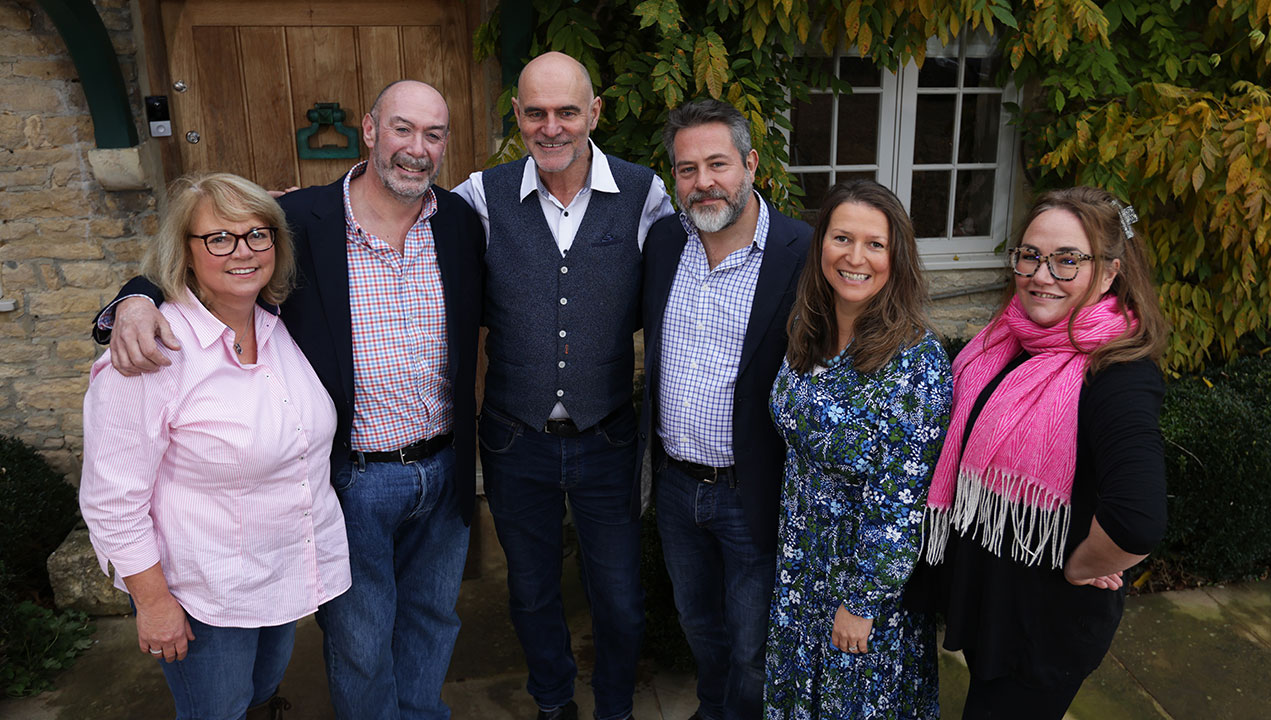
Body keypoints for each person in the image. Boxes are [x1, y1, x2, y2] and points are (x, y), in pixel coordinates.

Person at [91, 81, 485, 720]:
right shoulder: (301, 220)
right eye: (402, 128)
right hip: (353, 477)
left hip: (442, 467)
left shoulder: (462, 222)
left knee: (434, 619)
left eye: (433, 134)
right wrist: (134, 299)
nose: (417, 148)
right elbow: (208, 244)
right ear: (368, 129)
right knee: (360, 638)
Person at [80, 173, 351, 720]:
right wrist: (154, 603)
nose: (243, 251)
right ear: (184, 250)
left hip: (281, 572)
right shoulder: (151, 356)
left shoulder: (280, 329)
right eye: (219, 238)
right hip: (203, 593)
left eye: (257, 234)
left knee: (257, 696)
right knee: (217, 710)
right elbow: (113, 501)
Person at [452, 51, 671, 720]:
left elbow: (703, 272)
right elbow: (403, 243)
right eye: (536, 112)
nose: (552, 127)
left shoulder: (646, 194)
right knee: (531, 592)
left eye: (567, 111)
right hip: (516, 441)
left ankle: (613, 708)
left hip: (607, 436)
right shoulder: (478, 197)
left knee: (619, 595)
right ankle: (553, 704)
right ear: (517, 115)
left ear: (594, 114)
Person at [922, 187, 1168, 719]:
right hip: (997, 607)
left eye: (1066, 261)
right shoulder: (1004, 340)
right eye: (1030, 255)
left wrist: (1082, 567)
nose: (1041, 274)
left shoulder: (1117, 373)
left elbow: (1138, 519)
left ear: (1108, 274)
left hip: (1044, 627)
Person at [639, 99, 809, 720]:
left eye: (718, 164)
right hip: (678, 488)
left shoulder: (801, 251)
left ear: (751, 164)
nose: (703, 182)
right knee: (697, 623)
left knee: (752, 643)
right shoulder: (663, 242)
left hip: (752, 490)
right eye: (687, 169)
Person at [765, 179, 950, 719]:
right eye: (842, 238)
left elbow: (902, 502)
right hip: (801, 571)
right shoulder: (808, 327)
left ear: (898, 258)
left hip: (862, 590)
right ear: (820, 242)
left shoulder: (918, 363)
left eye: (875, 244)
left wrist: (862, 604)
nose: (855, 257)